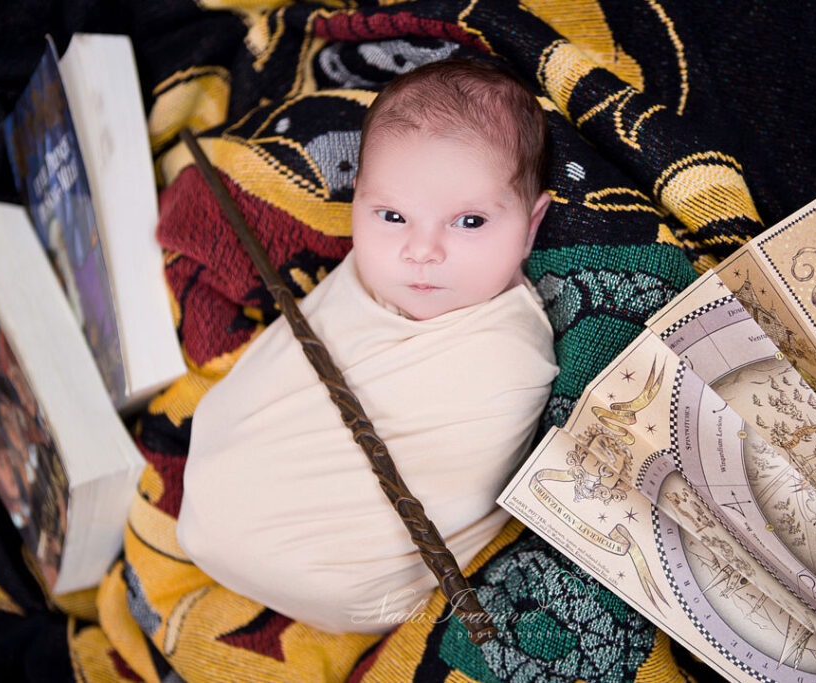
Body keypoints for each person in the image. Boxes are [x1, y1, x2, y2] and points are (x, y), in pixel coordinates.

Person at [177, 57, 559, 634]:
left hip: (348, 590)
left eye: (470, 222)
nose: (421, 250)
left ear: (531, 226)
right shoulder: (366, 270)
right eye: (392, 215)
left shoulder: (509, 355)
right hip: (204, 499)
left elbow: (461, 477)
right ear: (357, 203)